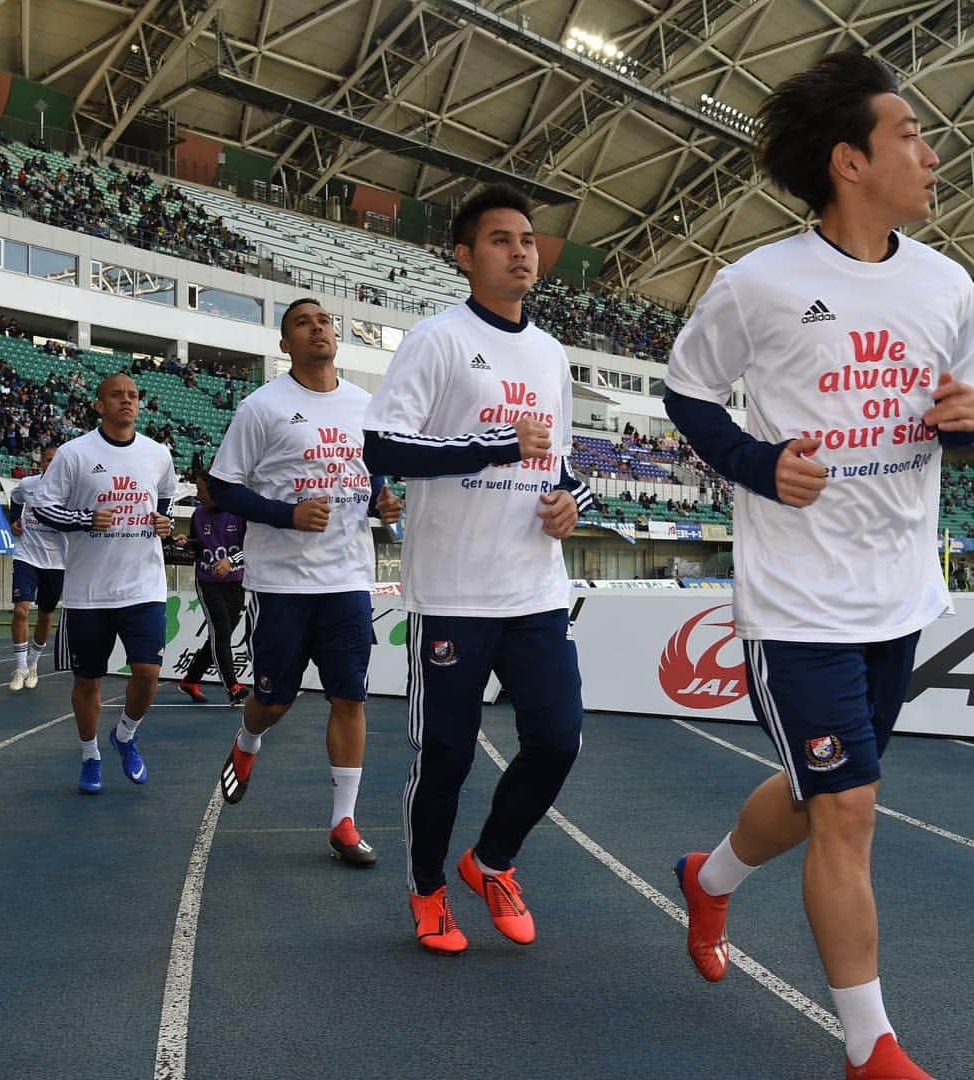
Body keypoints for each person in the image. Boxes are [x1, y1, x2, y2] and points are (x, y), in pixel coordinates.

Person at [663, 50, 974, 1080]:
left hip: (898, 594)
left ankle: (706, 881)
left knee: (812, 794)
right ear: (850, 161)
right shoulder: (760, 284)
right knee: (848, 809)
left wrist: (966, 427)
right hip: (797, 604)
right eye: (911, 137)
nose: (933, 154)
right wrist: (757, 465)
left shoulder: (950, 284)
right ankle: (867, 1043)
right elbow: (689, 393)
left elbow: (957, 416)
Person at [363, 184, 593, 954]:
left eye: (527, 238)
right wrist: (497, 445)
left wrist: (571, 503)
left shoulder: (552, 353)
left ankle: (491, 859)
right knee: (448, 758)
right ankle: (428, 890)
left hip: (535, 590)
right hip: (455, 594)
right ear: (465, 257)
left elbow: (562, 466)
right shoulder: (437, 339)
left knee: (559, 739)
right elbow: (383, 448)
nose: (521, 250)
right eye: (500, 239)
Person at [209, 298, 402, 866]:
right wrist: (285, 515)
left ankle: (343, 820)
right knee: (274, 701)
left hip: (346, 578)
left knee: (350, 695)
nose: (317, 327)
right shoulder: (261, 407)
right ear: (284, 344)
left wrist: (382, 501)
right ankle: (248, 741)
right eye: (302, 322)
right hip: (282, 583)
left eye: (323, 321)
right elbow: (223, 488)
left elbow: (370, 479)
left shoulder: (365, 405)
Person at [32, 373, 177, 795]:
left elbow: (166, 495)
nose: (126, 401)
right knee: (88, 682)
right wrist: (82, 519)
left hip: (143, 586)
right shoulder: (75, 454)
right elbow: (42, 508)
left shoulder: (157, 453)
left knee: (148, 672)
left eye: (132, 395)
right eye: (116, 395)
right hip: (88, 592)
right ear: (99, 405)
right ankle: (90, 754)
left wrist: (163, 520)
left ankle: (126, 736)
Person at [174, 469, 249, 705]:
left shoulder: (240, 514)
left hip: (236, 582)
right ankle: (233, 686)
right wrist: (186, 542)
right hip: (208, 582)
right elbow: (199, 545)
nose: (198, 495)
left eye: (200, 490)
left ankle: (190, 678)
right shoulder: (198, 515)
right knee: (222, 632)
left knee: (220, 635)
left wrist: (231, 561)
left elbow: (255, 548)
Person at [7, 445, 66, 691]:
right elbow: (14, 498)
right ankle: (20, 668)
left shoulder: (70, 490)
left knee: (45, 616)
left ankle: (33, 663)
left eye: (56, 461)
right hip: (26, 556)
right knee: (21, 611)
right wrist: (13, 520)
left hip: (56, 562)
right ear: (41, 462)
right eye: (48, 460)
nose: (52, 464)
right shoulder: (29, 484)